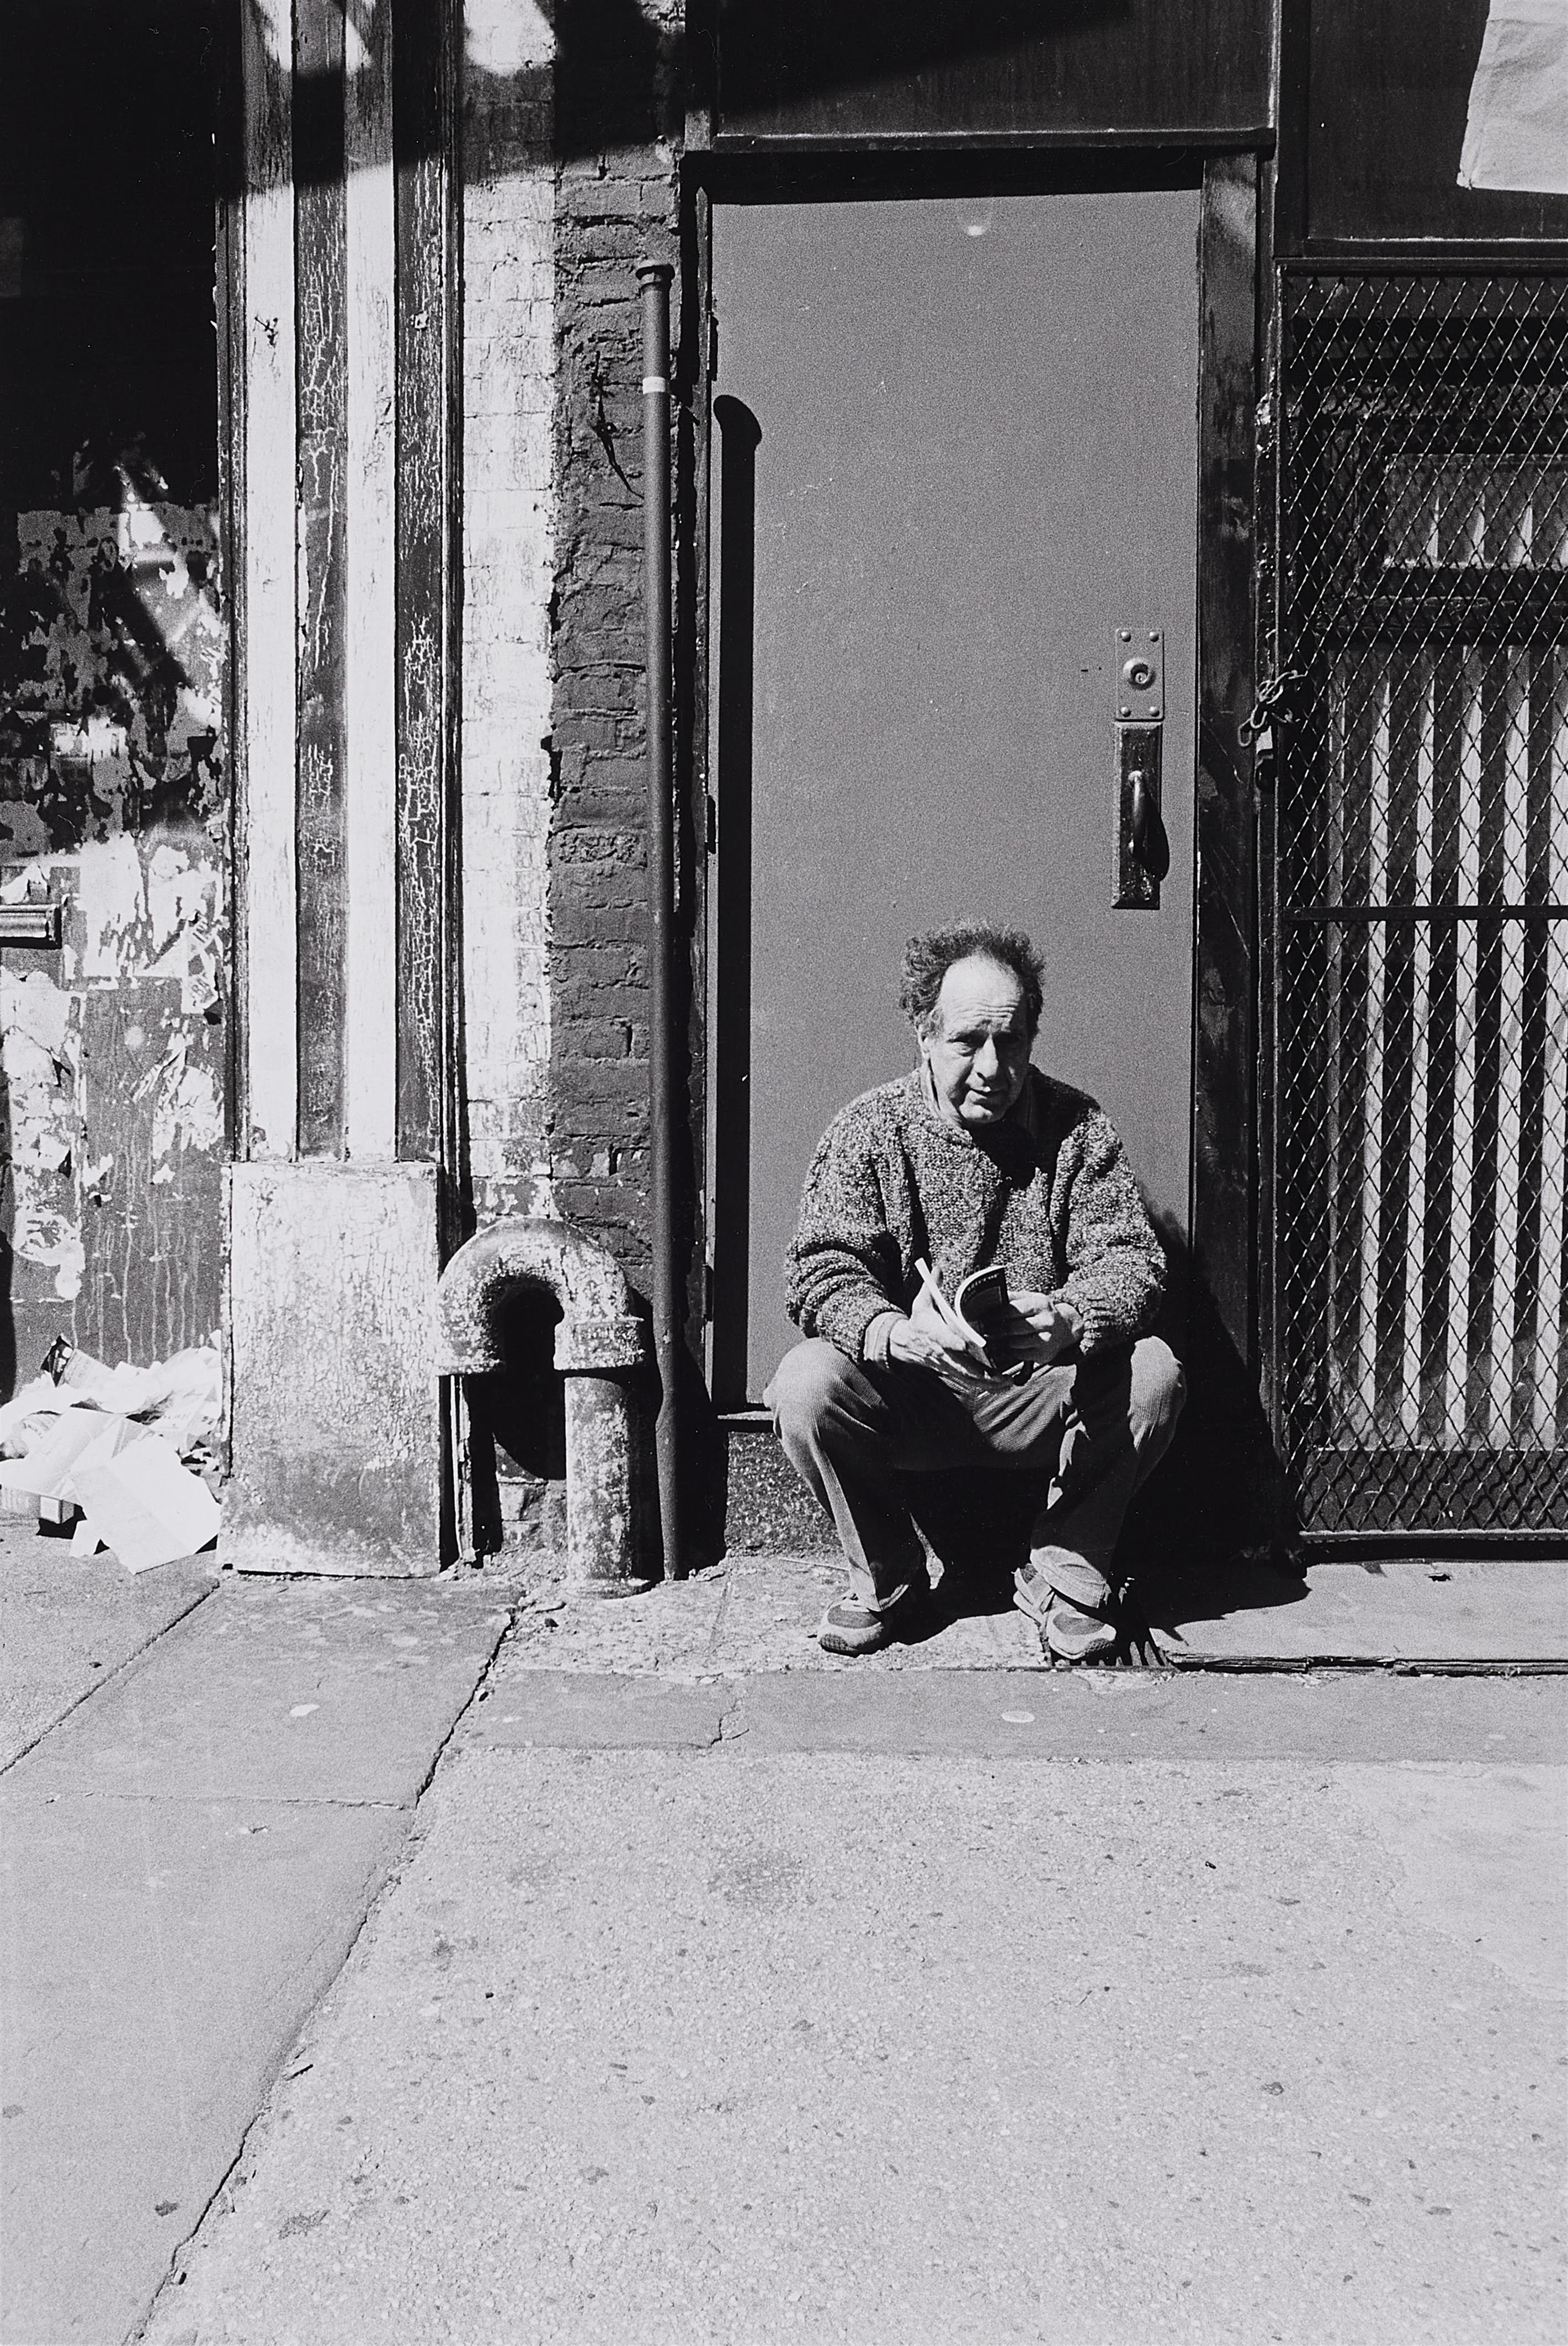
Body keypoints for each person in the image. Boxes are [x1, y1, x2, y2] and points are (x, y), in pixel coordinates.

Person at [765, 922, 1185, 1662]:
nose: (993, 1066)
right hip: (913, 1393)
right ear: (923, 1035)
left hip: (1038, 1390)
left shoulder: (1077, 1128)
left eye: (1012, 1040)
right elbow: (820, 1270)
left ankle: (1063, 1574)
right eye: (968, 1041)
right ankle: (888, 1581)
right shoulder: (868, 1131)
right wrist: (893, 1331)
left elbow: (1131, 1262)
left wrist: (1067, 1315)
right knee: (802, 1384)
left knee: (1154, 1373)